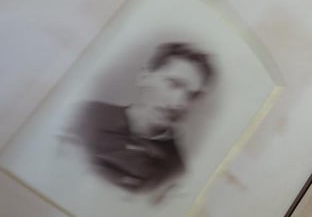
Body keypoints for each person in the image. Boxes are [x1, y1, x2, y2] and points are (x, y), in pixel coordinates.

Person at [70, 41, 215, 192]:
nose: (179, 103)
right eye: (174, 84)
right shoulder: (85, 114)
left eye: (192, 96)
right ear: (144, 76)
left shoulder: (175, 173)